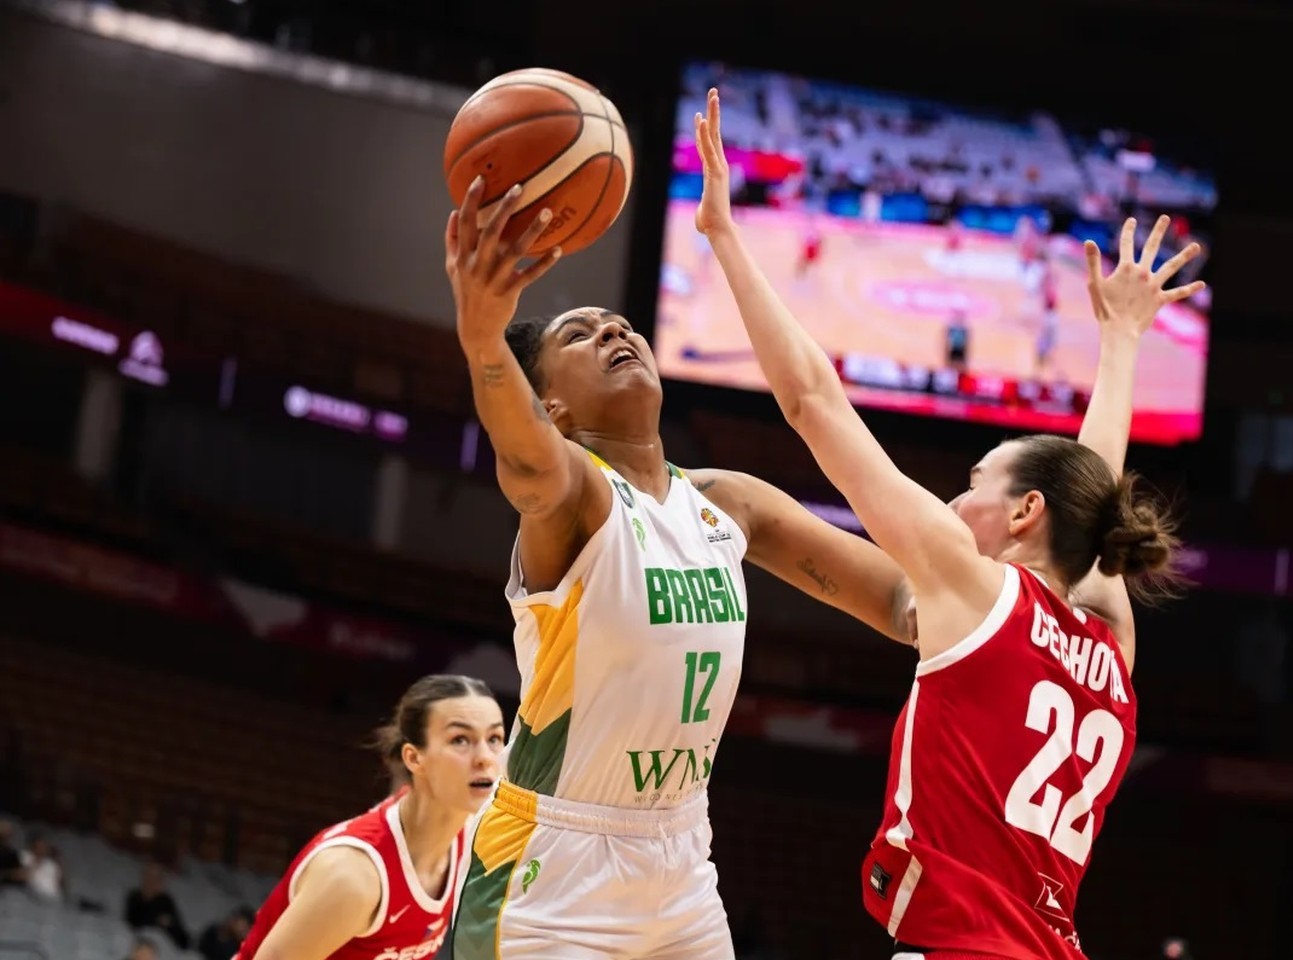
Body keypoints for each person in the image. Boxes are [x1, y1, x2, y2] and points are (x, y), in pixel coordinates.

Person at [695, 89, 1203, 959]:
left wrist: (726, 237)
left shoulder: (978, 591)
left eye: (975, 483)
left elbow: (813, 402)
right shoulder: (1112, 649)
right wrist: (1119, 343)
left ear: (1023, 513)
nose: (956, 501)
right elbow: (1096, 494)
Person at [440, 169, 913, 957]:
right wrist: (485, 341)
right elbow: (524, 460)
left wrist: (1014, 597)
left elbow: (904, 604)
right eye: (581, 336)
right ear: (550, 406)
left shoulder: (728, 504)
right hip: (550, 870)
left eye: (619, 323)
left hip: (682, 860)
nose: (615, 332)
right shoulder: (574, 498)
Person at [235, 675, 504, 960]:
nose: (486, 758)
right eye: (460, 740)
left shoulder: (466, 836)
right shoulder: (354, 877)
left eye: (494, 738)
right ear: (413, 758)